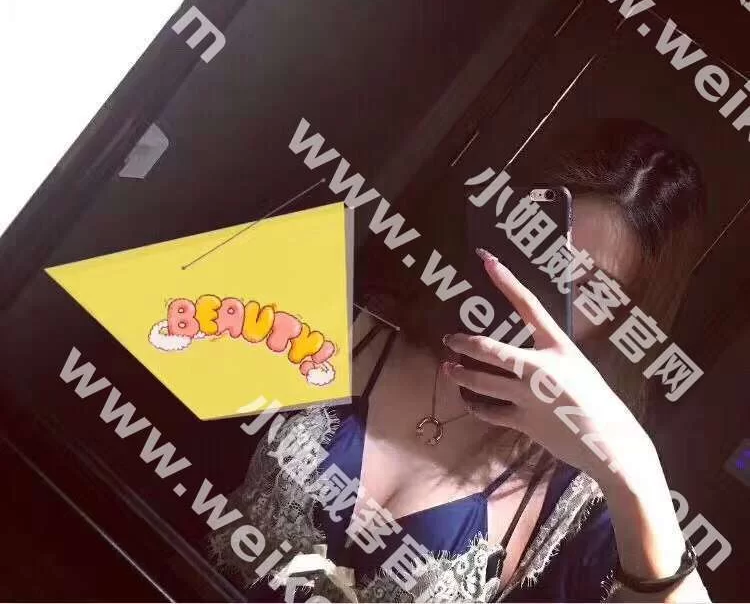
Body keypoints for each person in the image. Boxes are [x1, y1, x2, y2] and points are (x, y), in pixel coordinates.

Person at [208, 119, 712, 602]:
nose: (538, 298)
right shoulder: (358, 322)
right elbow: (175, 333)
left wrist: (633, 465)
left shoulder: (578, 499)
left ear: (622, 321)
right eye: (544, 254)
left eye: (592, 291)